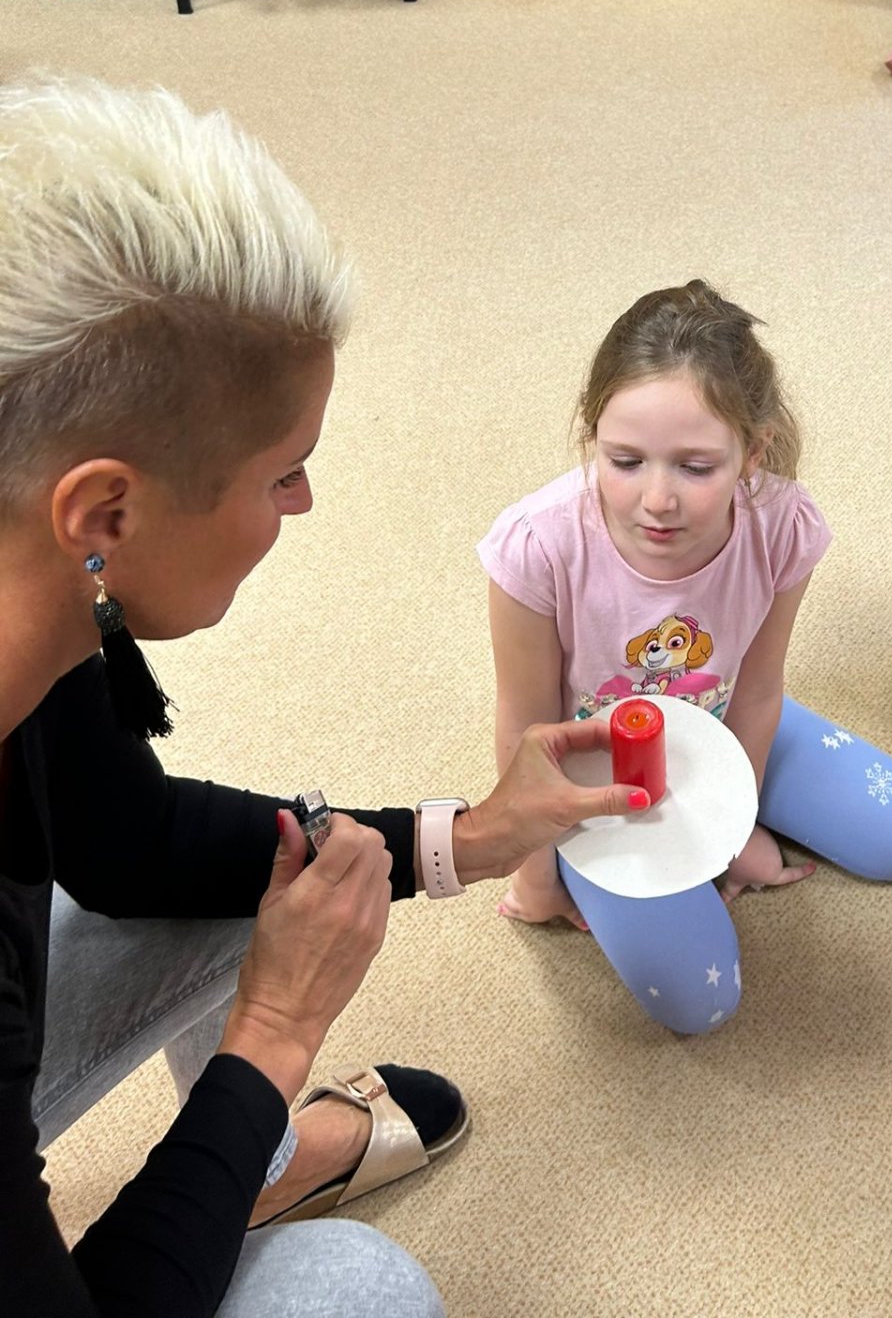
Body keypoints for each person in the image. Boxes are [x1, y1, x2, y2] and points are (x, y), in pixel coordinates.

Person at [0, 76, 648, 1318]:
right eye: (283, 472)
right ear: (105, 511)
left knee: (270, 874)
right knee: (363, 1290)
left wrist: (466, 838)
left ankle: (250, 1158)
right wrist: (274, 1037)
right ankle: (247, 1145)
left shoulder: (33, 582)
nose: (301, 504)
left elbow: (129, 844)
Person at [478, 280, 892, 1034]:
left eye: (695, 467)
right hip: (595, 779)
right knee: (704, 1003)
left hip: (723, 722)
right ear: (592, 436)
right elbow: (525, 734)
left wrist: (734, 827)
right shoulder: (536, 547)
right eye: (624, 460)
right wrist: (535, 875)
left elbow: (758, 689)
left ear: (752, 453)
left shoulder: (782, 526)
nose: (657, 500)